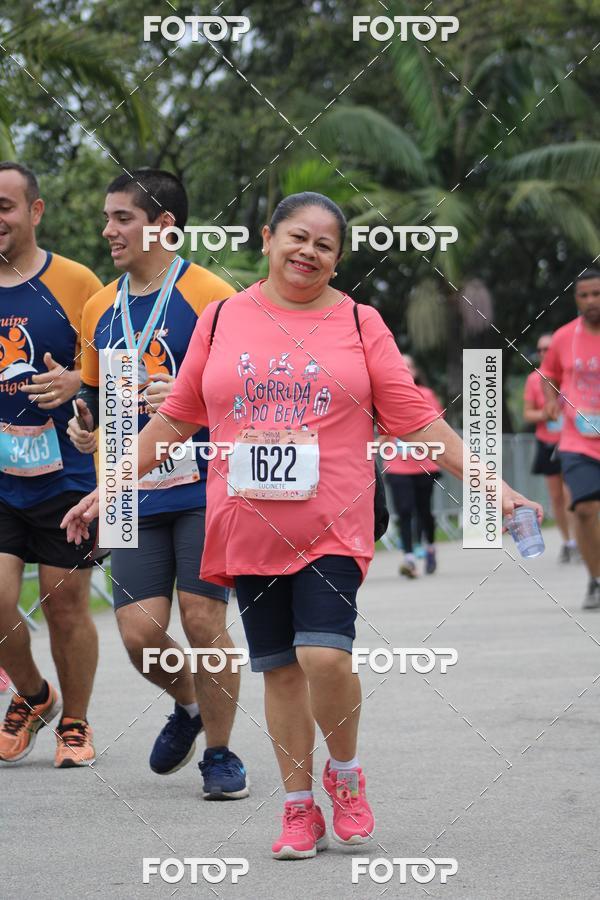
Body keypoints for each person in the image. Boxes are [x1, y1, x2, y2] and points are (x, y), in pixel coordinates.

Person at [62, 191, 540, 860]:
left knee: (324, 655)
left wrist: (496, 487)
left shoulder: (360, 321)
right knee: (280, 669)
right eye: (297, 236)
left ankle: (344, 775)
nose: (308, 251)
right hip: (248, 524)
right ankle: (296, 808)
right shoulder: (224, 316)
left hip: (332, 524)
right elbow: (176, 419)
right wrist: (108, 484)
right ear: (267, 238)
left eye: (324, 244)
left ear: (337, 259)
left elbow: (413, 418)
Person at [66, 169, 248, 798]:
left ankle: (221, 755)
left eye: (122, 218)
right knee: (141, 636)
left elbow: (251, 393)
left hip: (204, 488)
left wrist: (198, 396)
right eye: (108, 217)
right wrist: (87, 433)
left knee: (203, 622)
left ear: (163, 225)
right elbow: (94, 397)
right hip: (132, 494)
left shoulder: (211, 294)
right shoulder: (99, 307)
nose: (108, 230)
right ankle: (193, 704)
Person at [0, 161, 101, 767]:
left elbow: (114, 372)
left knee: (66, 606)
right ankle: (34, 695)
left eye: (6, 206)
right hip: (0, 479)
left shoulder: (75, 281)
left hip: (66, 476)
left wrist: (78, 389)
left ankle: (76, 723)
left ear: (35, 211)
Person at [541, 269, 600, 608]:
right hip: (578, 439)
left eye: (597, 294)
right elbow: (549, 373)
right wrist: (550, 400)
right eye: (584, 295)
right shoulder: (565, 337)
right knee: (586, 509)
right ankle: (595, 579)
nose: (591, 301)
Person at [384, 355, 444, 578]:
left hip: (424, 464)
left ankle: (429, 547)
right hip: (396, 464)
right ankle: (408, 557)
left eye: (409, 366)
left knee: (424, 511)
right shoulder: (385, 395)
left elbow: (438, 423)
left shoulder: (426, 395)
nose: (405, 370)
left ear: (416, 372)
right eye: (401, 366)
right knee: (404, 511)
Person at [523, 333, 576, 562]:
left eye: (548, 349)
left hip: (572, 441)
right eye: (541, 350)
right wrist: (545, 413)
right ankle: (568, 542)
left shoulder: (571, 375)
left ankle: (579, 538)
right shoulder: (534, 380)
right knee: (556, 496)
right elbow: (527, 413)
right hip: (547, 442)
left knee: (571, 494)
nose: (545, 353)